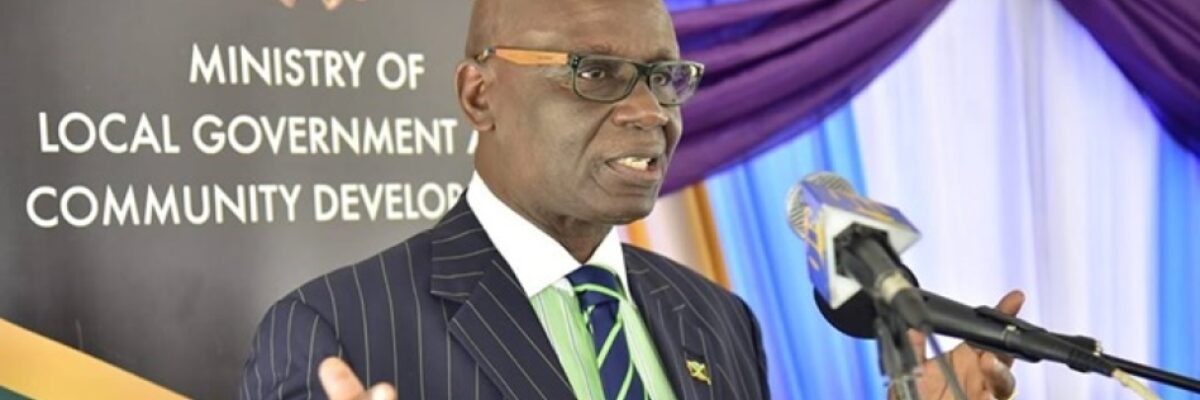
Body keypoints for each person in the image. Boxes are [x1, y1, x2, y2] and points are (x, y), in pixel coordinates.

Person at [240, 0, 1023, 398]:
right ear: (480, 95)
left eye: (665, 78)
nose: (651, 112)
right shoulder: (332, 328)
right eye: (595, 73)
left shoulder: (717, 319)